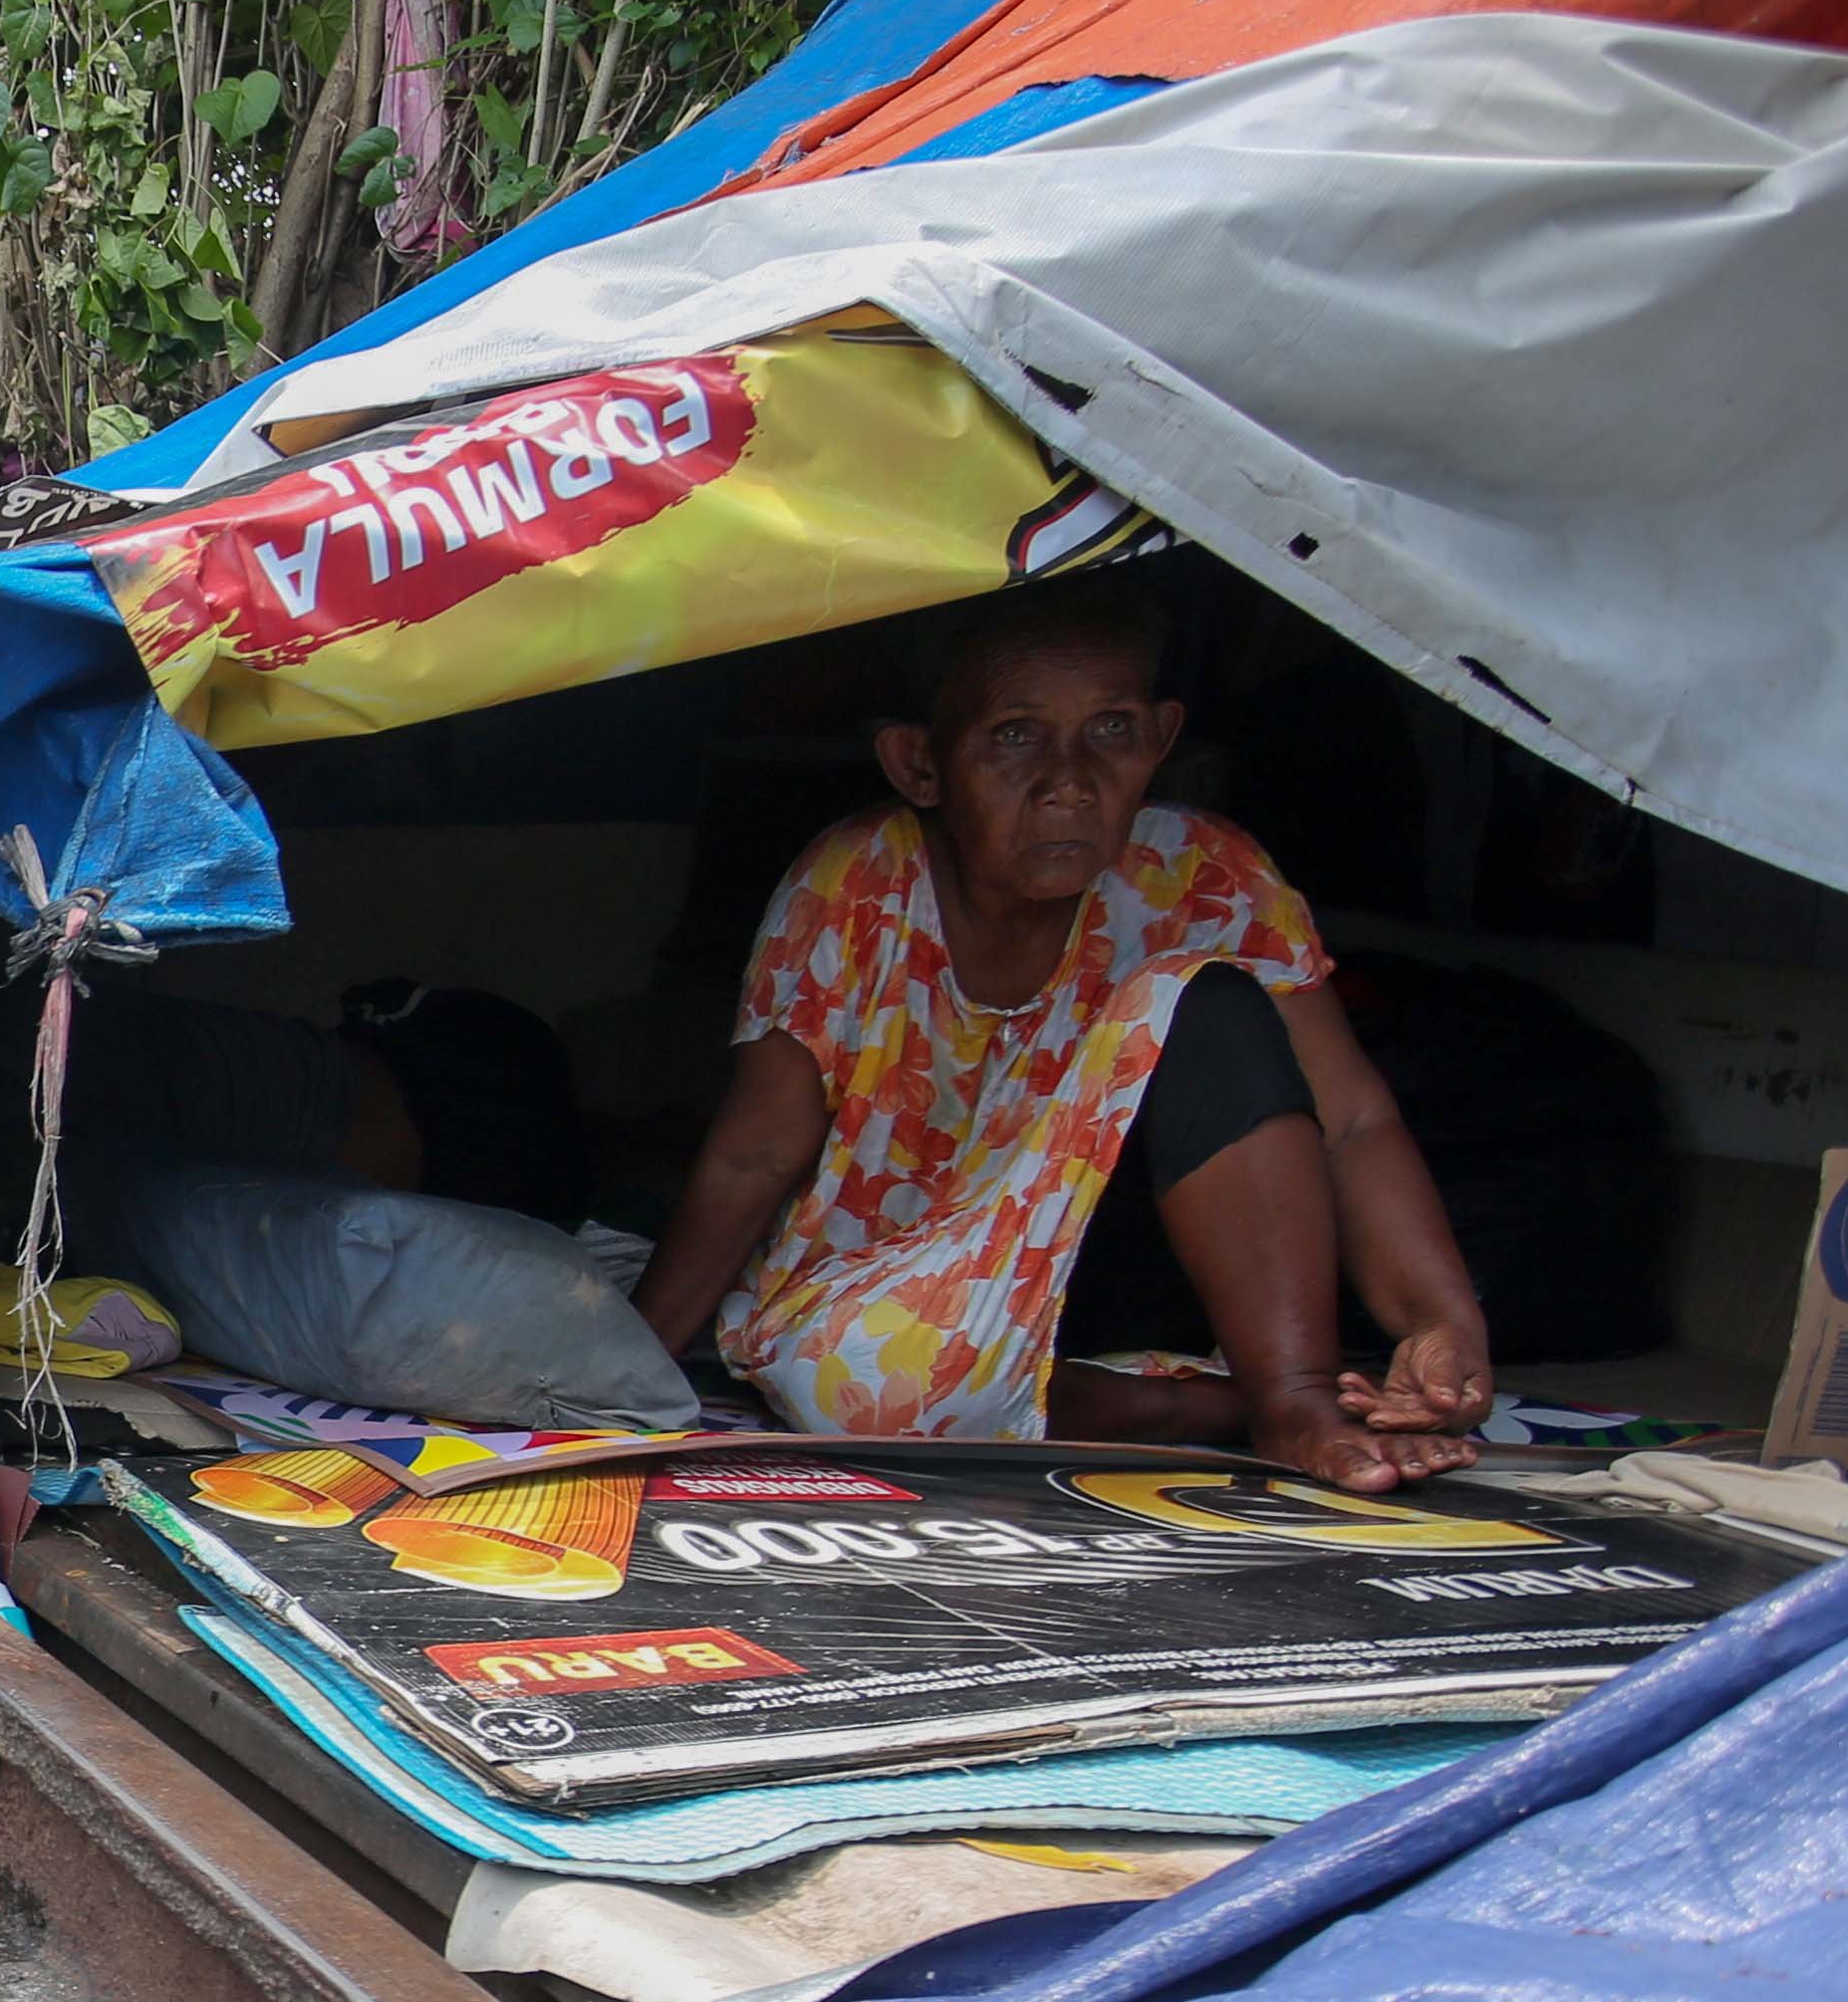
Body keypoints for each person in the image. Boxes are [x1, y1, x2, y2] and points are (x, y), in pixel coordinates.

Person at [624, 587, 1492, 1492]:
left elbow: (1348, 1118)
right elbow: (756, 1154)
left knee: (1200, 994)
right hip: (901, 1290)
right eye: (1013, 735)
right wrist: (629, 1368)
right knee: (856, 1386)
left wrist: (1441, 1324)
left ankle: (1294, 1399)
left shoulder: (1204, 875)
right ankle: (1201, 1406)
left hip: (1124, 1273)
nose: (1068, 780)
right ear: (919, 765)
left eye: (1110, 731)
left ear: (1159, 740)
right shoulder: (855, 885)